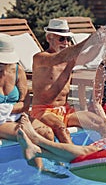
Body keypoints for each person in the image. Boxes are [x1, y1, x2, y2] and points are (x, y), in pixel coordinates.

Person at [30, 19, 106, 144]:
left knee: (102, 122)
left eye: (68, 39)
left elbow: (88, 57)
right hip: (43, 111)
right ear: (49, 38)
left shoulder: (70, 59)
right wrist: (89, 40)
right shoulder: (40, 58)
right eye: (61, 39)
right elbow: (59, 58)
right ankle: (75, 161)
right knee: (61, 129)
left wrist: (99, 43)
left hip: (65, 110)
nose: (65, 43)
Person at [0, 33, 54, 170]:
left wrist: (7, 109)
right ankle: (40, 171)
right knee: (25, 133)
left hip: (17, 115)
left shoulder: (18, 70)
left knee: (48, 132)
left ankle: (55, 163)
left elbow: (25, 103)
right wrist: (13, 108)